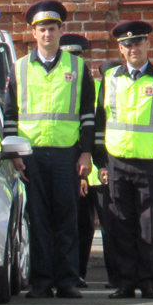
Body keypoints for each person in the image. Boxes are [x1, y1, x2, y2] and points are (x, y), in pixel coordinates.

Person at [9, 1, 95, 299]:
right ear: (33, 33)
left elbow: (87, 115)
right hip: (31, 156)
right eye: (41, 29)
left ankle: (68, 280)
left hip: (65, 155)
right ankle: (42, 281)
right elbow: (9, 115)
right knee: (38, 220)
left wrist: (85, 153)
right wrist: (15, 154)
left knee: (67, 220)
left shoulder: (77, 66)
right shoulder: (19, 68)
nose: (47, 34)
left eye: (52, 28)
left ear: (61, 31)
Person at [95, 20, 153, 299]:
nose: (134, 49)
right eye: (127, 44)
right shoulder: (109, 79)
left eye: (138, 43)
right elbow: (99, 123)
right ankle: (124, 283)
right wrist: (100, 163)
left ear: (148, 44)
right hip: (116, 161)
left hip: (149, 164)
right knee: (120, 224)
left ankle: (147, 282)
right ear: (121, 49)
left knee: (148, 226)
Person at [60, 32, 105, 288]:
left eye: (77, 55)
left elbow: (99, 132)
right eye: (67, 55)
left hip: (96, 168)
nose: (72, 59)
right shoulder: (57, 86)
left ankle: (92, 273)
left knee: (98, 226)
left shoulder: (97, 86)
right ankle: (72, 272)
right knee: (74, 224)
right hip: (72, 166)